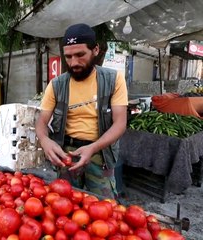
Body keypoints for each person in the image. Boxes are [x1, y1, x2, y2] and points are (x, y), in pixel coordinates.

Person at [35, 23, 128, 199]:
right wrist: (45, 140)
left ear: (95, 50)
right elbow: (41, 121)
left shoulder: (114, 80)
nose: (73, 63)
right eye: (68, 57)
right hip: (67, 153)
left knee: (103, 207)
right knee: (65, 204)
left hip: (100, 151)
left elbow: (120, 123)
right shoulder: (56, 85)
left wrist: (93, 148)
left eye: (80, 55)